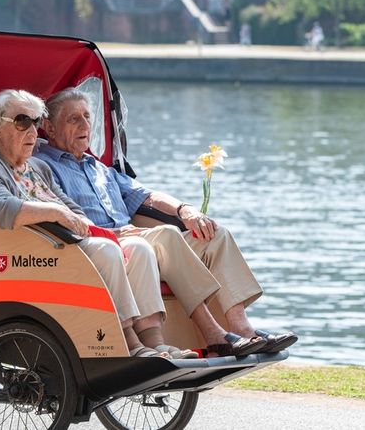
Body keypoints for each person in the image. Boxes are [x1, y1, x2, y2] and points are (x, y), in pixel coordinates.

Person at [37, 89, 297, 355]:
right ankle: (213, 333)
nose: (84, 126)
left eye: (87, 117)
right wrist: (116, 232)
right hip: (104, 243)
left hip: (141, 239)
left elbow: (147, 195)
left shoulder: (101, 169)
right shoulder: (44, 166)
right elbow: (64, 218)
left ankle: (241, 327)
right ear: (49, 127)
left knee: (215, 235)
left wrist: (186, 210)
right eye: (73, 119)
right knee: (167, 234)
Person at [0, 89, 195, 359]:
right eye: (22, 122)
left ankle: (156, 343)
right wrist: (56, 213)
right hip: (37, 253)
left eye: (35, 121)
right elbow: (0, 209)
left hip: (67, 244)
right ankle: (131, 344)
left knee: (137, 248)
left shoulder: (37, 167)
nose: (32, 130)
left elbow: (73, 210)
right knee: (108, 251)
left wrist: (104, 229)